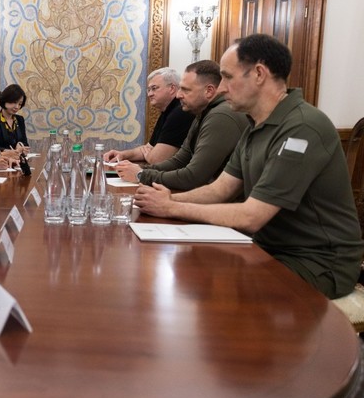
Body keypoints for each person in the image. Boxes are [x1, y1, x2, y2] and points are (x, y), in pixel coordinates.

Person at [134, 34, 364, 299]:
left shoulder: (302, 127)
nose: (220, 88)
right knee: (193, 274)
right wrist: (167, 200)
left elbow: (252, 216)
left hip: (318, 261)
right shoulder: (255, 124)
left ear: (258, 74)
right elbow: (221, 189)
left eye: (228, 77)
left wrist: (172, 206)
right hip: (269, 248)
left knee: (219, 293)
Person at [115, 60, 249, 191]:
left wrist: (141, 175)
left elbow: (193, 177)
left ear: (209, 91)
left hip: (231, 204)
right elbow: (179, 161)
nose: (178, 95)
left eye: (185, 90)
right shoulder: (201, 112)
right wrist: (137, 170)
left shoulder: (220, 116)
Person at [104, 67, 193, 165]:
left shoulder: (179, 112)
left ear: (172, 88)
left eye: (154, 88)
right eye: (148, 90)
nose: (150, 94)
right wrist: (123, 154)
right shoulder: (167, 111)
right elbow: (148, 148)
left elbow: (157, 160)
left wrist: (149, 154)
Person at [0, 83, 31, 154]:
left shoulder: (20, 119)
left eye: (20, 104)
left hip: (19, 160)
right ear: (5, 100)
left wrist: (21, 145)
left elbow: (25, 143)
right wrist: (12, 152)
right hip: (2, 160)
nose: (17, 107)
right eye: (14, 102)